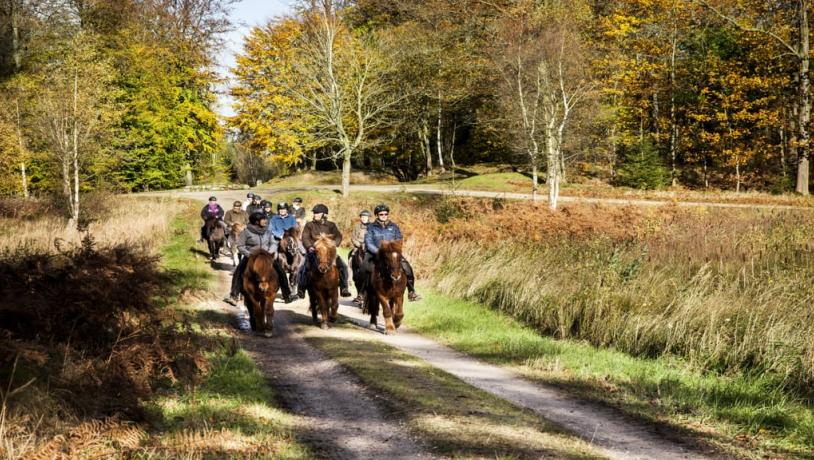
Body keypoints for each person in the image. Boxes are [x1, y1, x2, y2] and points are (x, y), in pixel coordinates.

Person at [224, 212, 298, 305]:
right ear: (256, 222)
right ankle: (234, 295)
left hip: (266, 257)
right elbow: (240, 246)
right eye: (263, 219)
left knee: (281, 271)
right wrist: (249, 254)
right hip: (251, 256)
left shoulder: (268, 231)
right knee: (238, 271)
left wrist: (269, 253)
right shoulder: (246, 232)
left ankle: (287, 295)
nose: (265, 221)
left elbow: (273, 243)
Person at [363, 204, 421, 301]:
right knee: (364, 268)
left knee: (407, 268)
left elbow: (399, 238)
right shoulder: (371, 227)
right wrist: (379, 252)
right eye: (381, 214)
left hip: (392, 253)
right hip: (376, 253)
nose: (384, 216)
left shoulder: (393, 226)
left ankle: (411, 291)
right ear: (377, 215)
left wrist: (395, 249)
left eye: (386, 214)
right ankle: (362, 293)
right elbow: (368, 242)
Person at [296, 204, 352, 298]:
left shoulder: (331, 225)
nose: (315, 215)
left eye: (317, 213)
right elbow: (305, 237)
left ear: (324, 214)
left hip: (329, 253)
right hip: (313, 251)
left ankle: (344, 288)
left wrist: (333, 245)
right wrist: (310, 247)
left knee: (344, 266)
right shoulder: (309, 225)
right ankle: (301, 289)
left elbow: (338, 236)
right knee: (302, 266)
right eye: (314, 213)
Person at [350, 210, 371, 305]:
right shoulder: (357, 226)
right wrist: (358, 244)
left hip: (369, 247)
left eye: (365, 217)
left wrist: (367, 244)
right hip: (358, 247)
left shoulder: (372, 226)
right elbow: (353, 238)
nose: (364, 218)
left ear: (368, 217)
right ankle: (349, 276)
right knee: (351, 256)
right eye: (362, 216)